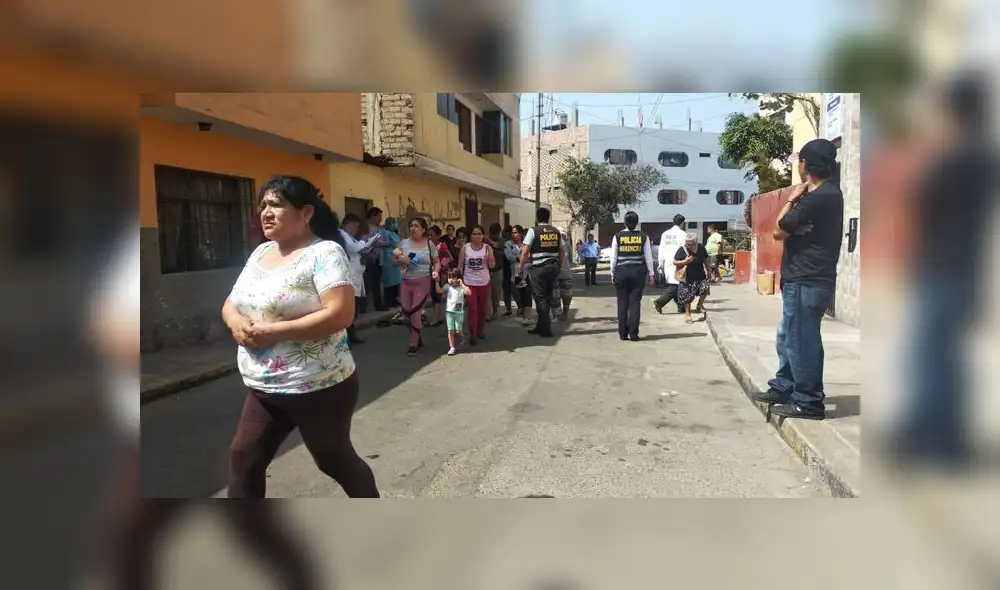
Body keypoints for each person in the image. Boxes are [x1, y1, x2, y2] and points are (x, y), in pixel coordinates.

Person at [221, 175, 379, 498]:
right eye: (263, 204)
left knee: (334, 460)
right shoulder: (261, 253)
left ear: (306, 213)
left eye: (277, 204)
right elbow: (231, 302)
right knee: (244, 459)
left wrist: (272, 332)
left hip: (319, 385)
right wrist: (235, 322)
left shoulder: (325, 253)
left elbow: (340, 314)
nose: (266, 211)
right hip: (265, 386)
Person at [751, 137, 844, 421]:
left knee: (802, 342)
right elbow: (784, 231)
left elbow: (780, 226)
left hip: (807, 279)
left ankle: (808, 401)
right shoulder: (823, 195)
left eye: (800, 161)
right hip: (803, 278)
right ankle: (785, 386)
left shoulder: (819, 197)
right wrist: (792, 221)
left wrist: (792, 198)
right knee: (789, 337)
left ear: (806, 165)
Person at [391, 217, 440, 356]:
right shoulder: (403, 243)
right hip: (406, 283)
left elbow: (436, 261)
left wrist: (436, 271)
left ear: (423, 229)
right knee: (406, 316)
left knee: (416, 312)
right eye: (411, 225)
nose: (413, 228)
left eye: (417, 226)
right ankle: (417, 336)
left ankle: (413, 344)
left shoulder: (428, 244)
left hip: (423, 281)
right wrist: (401, 259)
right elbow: (392, 262)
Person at [610, 211, 655, 340]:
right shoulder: (643, 236)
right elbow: (648, 257)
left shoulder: (618, 236)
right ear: (637, 222)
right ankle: (634, 334)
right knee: (635, 303)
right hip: (638, 273)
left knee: (622, 303)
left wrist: (612, 273)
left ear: (624, 222)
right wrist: (651, 274)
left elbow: (614, 258)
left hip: (621, 273)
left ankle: (623, 334)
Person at [520, 208, 562, 338]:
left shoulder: (533, 231)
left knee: (540, 299)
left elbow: (525, 251)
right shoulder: (556, 231)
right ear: (548, 218)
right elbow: (562, 251)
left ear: (537, 218)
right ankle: (540, 325)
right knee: (548, 297)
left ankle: (546, 329)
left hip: (539, 268)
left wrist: (520, 267)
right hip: (553, 267)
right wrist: (559, 266)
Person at [339, 213, 379, 345]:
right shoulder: (342, 235)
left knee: (354, 308)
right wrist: (365, 242)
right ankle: (347, 337)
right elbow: (354, 248)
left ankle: (351, 335)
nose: (356, 229)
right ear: (348, 224)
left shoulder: (350, 237)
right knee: (350, 309)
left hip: (357, 275)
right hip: (350, 276)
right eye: (355, 226)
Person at [458, 224, 495, 344]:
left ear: (483, 235)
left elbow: (492, 265)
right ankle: (473, 334)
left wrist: (489, 259)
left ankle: (480, 330)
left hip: (484, 282)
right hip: (469, 282)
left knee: (482, 309)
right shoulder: (465, 248)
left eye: (479, 234)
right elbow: (460, 265)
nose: (477, 236)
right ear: (470, 236)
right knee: (473, 309)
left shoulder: (487, 248)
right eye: (474, 234)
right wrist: (458, 281)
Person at [654, 214, 689, 314]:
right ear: (682, 223)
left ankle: (680, 306)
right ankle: (660, 302)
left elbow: (661, 250)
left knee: (677, 284)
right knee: (676, 285)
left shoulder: (665, 234)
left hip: (667, 263)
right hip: (679, 262)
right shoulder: (683, 234)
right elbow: (685, 249)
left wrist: (660, 265)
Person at [673, 233, 711, 324]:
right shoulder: (682, 249)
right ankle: (688, 314)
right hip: (688, 277)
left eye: (689, 244)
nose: (687, 245)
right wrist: (684, 261)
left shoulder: (701, 248)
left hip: (700, 276)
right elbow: (674, 262)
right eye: (686, 243)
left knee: (705, 289)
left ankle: (699, 305)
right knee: (688, 297)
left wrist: (709, 270)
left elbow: (706, 259)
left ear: (695, 242)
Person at [362, 207, 391, 311]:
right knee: (364, 283)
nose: (380, 219)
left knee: (376, 282)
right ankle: (362, 306)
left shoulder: (381, 229)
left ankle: (378, 304)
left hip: (377, 259)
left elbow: (387, 242)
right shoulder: (364, 227)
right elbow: (361, 242)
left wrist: (376, 244)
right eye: (379, 216)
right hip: (365, 259)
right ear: (373, 215)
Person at [437, 268, 471, 356]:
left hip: (458, 312)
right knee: (450, 330)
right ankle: (452, 347)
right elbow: (439, 290)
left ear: (458, 278)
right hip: (449, 312)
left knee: (458, 329)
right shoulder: (448, 286)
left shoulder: (461, 288)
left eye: (453, 278)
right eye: (449, 278)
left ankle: (463, 339)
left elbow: (469, 293)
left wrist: (462, 284)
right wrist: (436, 281)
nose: (451, 280)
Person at [506, 225, 530, 319]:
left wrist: (522, 258)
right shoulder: (508, 244)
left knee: (526, 293)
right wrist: (521, 258)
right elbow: (509, 257)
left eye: (515, 232)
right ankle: (520, 307)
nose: (513, 234)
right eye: (512, 232)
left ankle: (525, 311)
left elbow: (529, 257)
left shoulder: (526, 244)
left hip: (526, 273)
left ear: (520, 234)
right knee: (515, 292)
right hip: (514, 273)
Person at [552, 227, 575, 321]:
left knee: (566, 295)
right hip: (556, 273)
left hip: (564, 273)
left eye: (563, 235)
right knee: (556, 295)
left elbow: (570, 259)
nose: (561, 237)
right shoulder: (555, 245)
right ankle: (557, 314)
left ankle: (563, 313)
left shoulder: (567, 245)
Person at [380, 217, 402, 308]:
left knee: (396, 281)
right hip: (388, 259)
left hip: (394, 258)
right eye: (395, 223)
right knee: (389, 282)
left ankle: (394, 299)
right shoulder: (387, 233)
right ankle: (389, 301)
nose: (396, 225)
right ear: (392, 224)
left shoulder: (392, 233)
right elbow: (396, 244)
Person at [485, 222, 505, 321]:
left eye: (495, 233)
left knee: (496, 294)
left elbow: (497, 246)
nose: (493, 236)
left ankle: (496, 312)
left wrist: (489, 241)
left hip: (498, 270)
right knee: (487, 294)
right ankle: (488, 313)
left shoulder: (502, 241)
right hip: (487, 270)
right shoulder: (485, 242)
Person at [500, 225, 515, 317]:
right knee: (512, 290)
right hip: (510, 268)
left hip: (507, 268)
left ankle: (508, 309)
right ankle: (518, 308)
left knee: (508, 290)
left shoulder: (505, 242)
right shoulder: (513, 242)